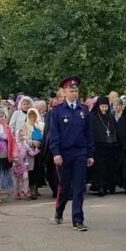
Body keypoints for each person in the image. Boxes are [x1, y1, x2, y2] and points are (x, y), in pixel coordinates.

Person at [47, 76, 95, 230]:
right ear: (64, 92)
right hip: (64, 153)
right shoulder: (58, 111)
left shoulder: (84, 110)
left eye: (76, 90)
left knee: (79, 186)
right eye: (71, 90)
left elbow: (89, 134)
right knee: (65, 186)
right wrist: (56, 153)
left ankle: (78, 219)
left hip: (80, 152)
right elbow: (53, 134)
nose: (74, 93)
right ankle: (59, 211)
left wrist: (90, 154)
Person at [89, 96, 120, 195]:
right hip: (98, 146)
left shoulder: (110, 117)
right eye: (102, 106)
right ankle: (100, 187)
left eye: (106, 106)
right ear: (98, 106)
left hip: (110, 146)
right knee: (100, 168)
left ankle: (109, 186)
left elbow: (115, 130)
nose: (104, 109)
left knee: (109, 167)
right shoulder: (93, 117)